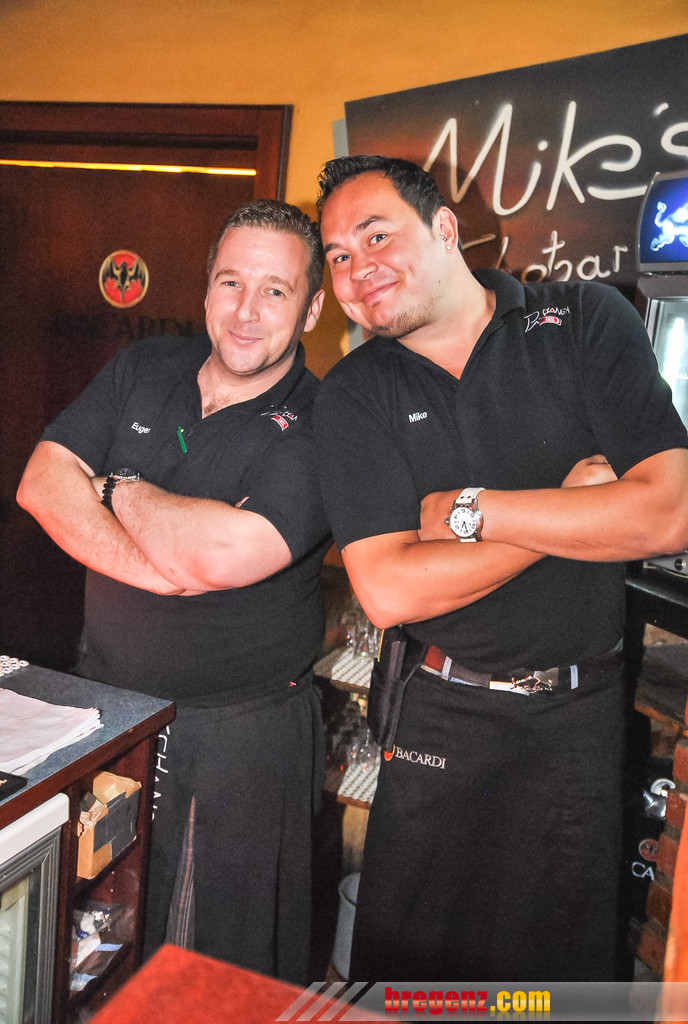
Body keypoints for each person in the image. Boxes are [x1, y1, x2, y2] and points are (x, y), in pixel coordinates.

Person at [312, 155, 688, 982]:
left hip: (578, 720)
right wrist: (568, 509)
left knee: (552, 983)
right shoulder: (354, 392)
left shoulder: (583, 320)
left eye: (376, 236)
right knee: (414, 981)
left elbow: (666, 511)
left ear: (445, 229)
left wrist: (469, 511)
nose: (357, 267)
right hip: (439, 713)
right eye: (337, 254)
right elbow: (389, 589)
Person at [17, 199, 331, 984]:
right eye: (231, 282)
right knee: (90, 948)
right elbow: (42, 483)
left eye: (275, 291)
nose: (246, 312)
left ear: (313, 309)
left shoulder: (326, 420)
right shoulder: (144, 368)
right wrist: (162, 567)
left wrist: (114, 486)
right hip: (106, 713)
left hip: (239, 738)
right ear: (206, 287)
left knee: (208, 973)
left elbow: (223, 554)